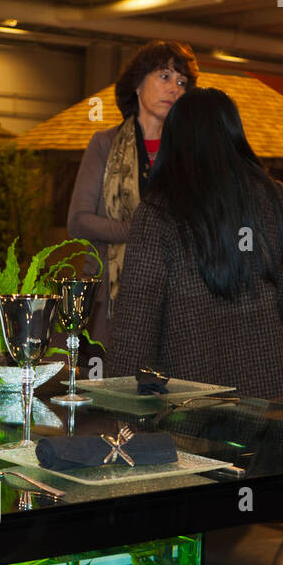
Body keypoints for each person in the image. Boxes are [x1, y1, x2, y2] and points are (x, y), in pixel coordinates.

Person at [106, 87, 283, 400]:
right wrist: (260, 333)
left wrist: (117, 397)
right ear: (234, 132)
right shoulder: (277, 198)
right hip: (266, 385)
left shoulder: (160, 211)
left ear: (174, 139)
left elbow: (137, 318)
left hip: (184, 392)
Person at [67, 40, 198, 349]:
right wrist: (141, 231)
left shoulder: (187, 153)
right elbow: (78, 221)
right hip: (108, 297)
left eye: (182, 82)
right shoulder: (104, 144)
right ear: (138, 83)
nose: (174, 88)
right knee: (105, 389)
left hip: (172, 299)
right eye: (164, 77)